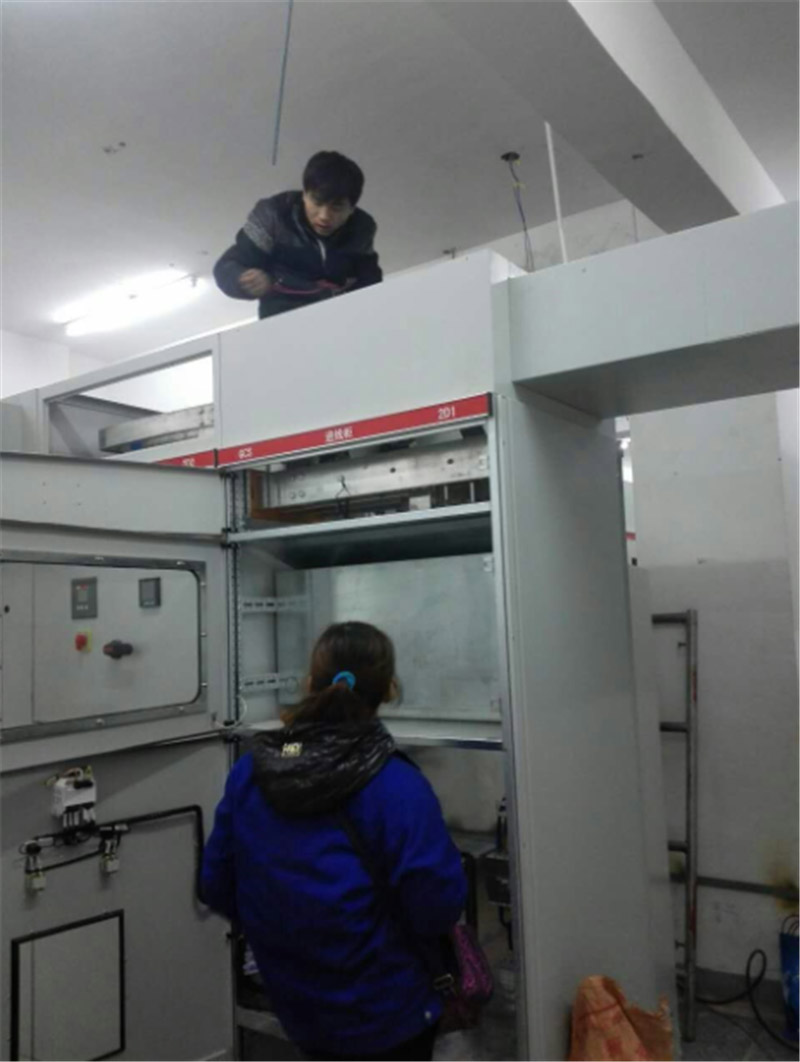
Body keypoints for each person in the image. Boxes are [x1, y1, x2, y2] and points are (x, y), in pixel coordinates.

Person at [201, 621, 466, 1061]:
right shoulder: (397, 785)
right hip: (389, 1011)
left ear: (310, 683)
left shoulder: (250, 773)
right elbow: (437, 904)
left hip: (296, 1005)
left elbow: (216, 883)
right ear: (389, 690)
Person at [213, 151, 382, 320]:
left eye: (336, 207)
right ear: (304, 195)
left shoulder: (362, 227)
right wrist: (241, 279)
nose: (324, 216)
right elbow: (228, 265)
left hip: (336, 316)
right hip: (282, 316)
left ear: (352, 209)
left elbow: (369, 280)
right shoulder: (273, 216)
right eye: (317, 202)